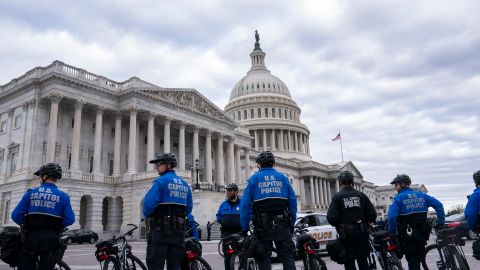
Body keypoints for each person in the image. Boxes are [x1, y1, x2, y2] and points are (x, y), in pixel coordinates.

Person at [240, 151, 297, 270]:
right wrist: (292, 222)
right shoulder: (283, 178)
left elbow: (245, 205)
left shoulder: (254, 179)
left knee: (263, 257)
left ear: (259, 164)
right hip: (282, 224)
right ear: (273, 164)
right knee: (287, 256)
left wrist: (244, 227)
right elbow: (292, 201)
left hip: (262, 227)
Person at [11, 163, 75, 270]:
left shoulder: (30, 193)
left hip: (31, 238)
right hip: (51, 239)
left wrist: (26, 224)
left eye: (40, 176)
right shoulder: (64, 196)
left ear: (45, 176)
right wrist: (57, 227)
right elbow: (70, 219)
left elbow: (15, 215)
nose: (39, 178)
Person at [143, 153, 193, 270]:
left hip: (160, 231)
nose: (156, 167)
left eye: (159, 164)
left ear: (168, 165)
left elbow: (148, 206)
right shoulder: (185, 184)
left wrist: (150, 215)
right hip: (179, 231)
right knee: (175, 264)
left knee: (155, 264)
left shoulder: (159, 182)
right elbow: (189, 208)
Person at [388, 174, 445, 270]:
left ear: (403, 184)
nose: (395, 187)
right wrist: (440, 222)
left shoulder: (399, 198)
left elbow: (392, 217)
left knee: (412, 260)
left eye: (396, 184)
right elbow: (439, 205)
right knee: (418, 257)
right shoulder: (422, 195)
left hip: (407, 234)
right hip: (423, 232)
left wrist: (392, 232)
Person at [327, 171, 376, 270]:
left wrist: (338, 224)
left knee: (349, 263)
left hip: (346, 235)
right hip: (362, 233)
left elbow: (331, 218)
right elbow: (372, 214)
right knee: (363, 261)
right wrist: (365, 222)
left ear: (340, 182)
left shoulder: (337, 197)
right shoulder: (361, 195)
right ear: (352, 182)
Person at [216, 183, 242, 270]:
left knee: (243, 255)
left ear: (236, 192)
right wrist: (222, 221)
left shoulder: (242, 204)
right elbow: (218, 215)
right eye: (227, 191)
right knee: (227, 257)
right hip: (226, 234)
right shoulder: (224, 204)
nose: (228, 193)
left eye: (230, 191)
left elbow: (249, 214)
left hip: (240, 233)